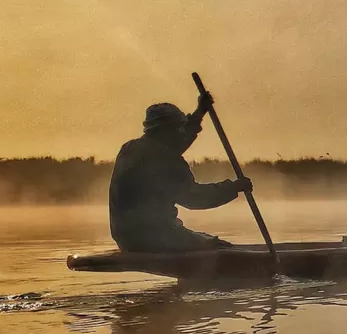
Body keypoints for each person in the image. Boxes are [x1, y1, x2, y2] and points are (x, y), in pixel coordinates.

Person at [108, 95, 252, 252]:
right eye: (179, 128)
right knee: (214, 246)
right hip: (155, 238)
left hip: (126, 238)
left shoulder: (131, 149)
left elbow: (178, 142)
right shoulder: (166, 159)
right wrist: (233, 187)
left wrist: (200, 112)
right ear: (167, 131)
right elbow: (194, 198)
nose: (183, 132)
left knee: (204, 239)